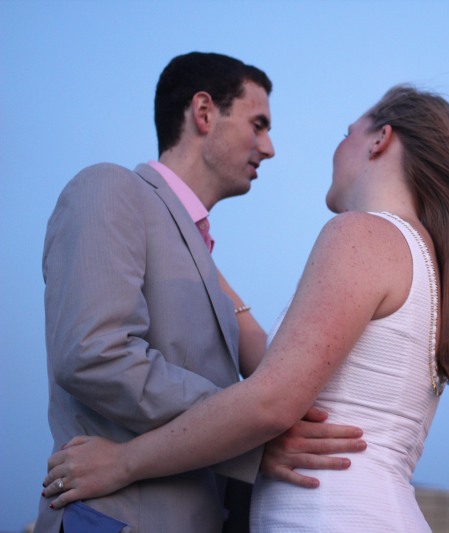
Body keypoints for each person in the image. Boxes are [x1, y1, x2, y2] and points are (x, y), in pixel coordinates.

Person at [42, 85, 449, 531]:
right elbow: (282, 365)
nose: (336, 148)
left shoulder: (361, 235)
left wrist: (123, 462)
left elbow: (270, 402)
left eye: (347, 133)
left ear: (380, 140)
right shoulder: (421, 259)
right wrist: (195, 251)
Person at [35, 51, 366, 533]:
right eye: (258, 124)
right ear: (205, 112)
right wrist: (247, 428)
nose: (269, 147)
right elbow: (95, 354)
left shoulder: (201, 251)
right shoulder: (109, 187)